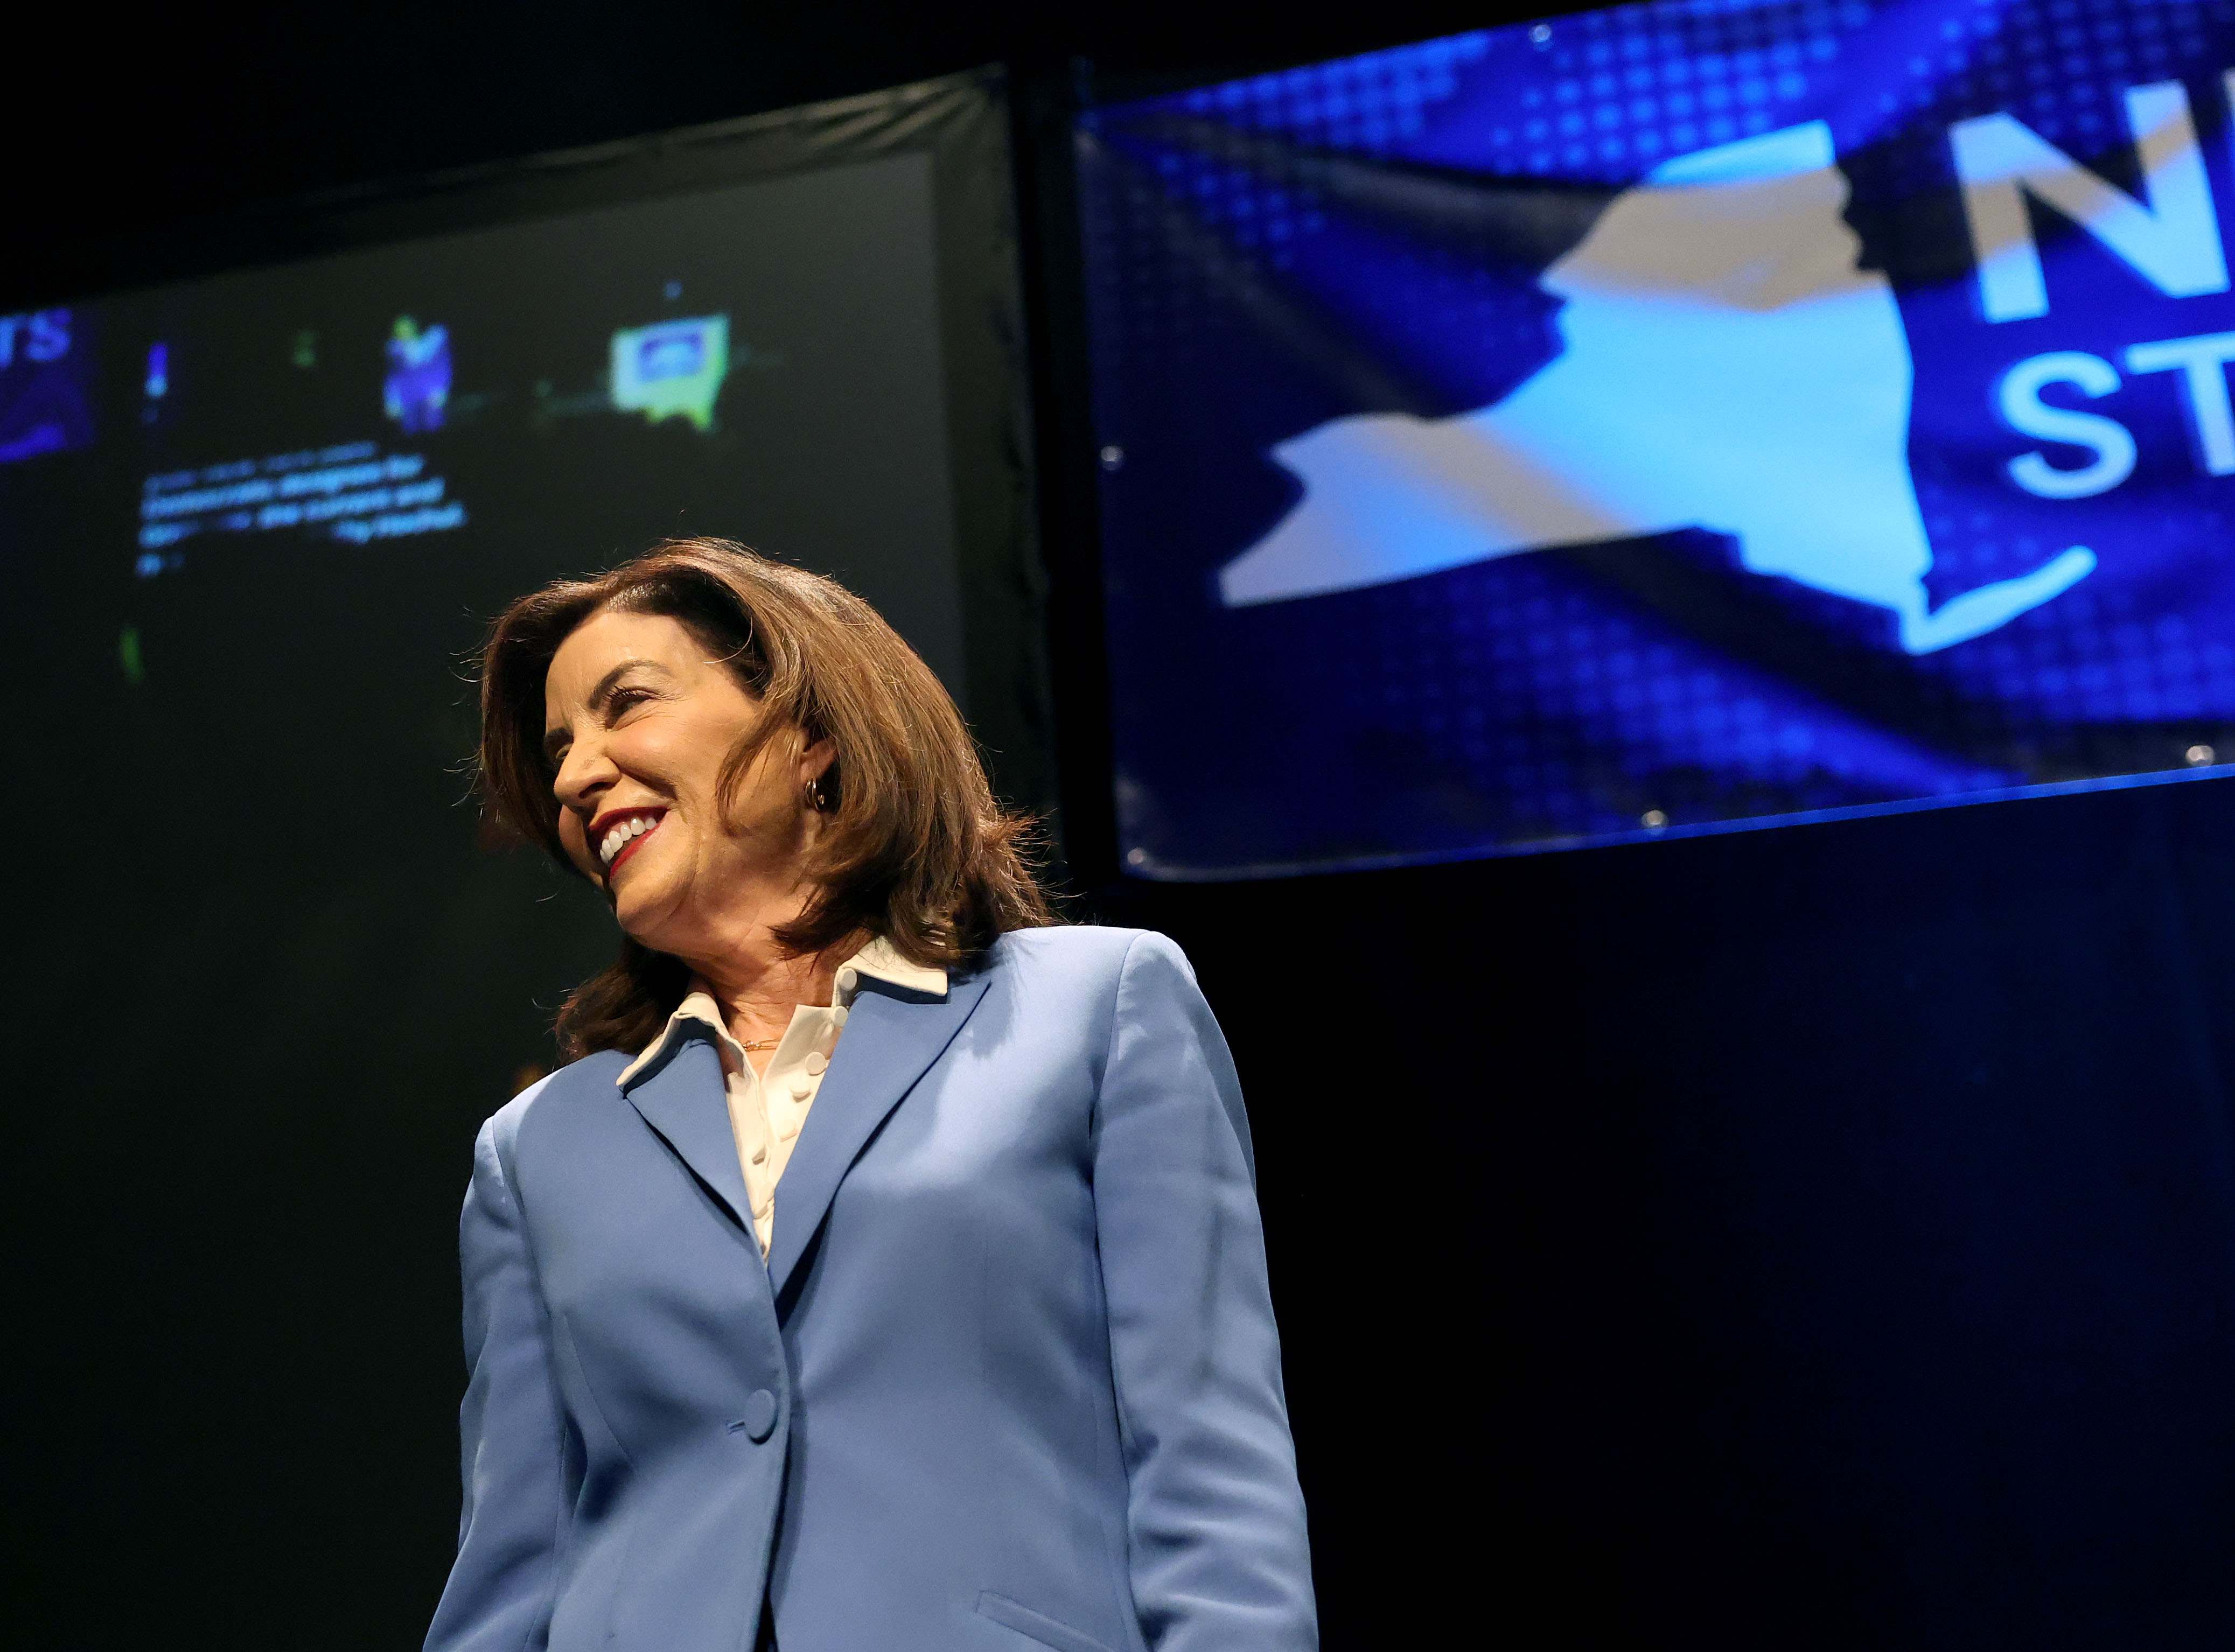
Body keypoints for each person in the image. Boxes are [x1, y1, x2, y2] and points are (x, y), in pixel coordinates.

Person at [425, 538, 1316, 1652]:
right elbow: (512, 1571)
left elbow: (1210, 1474)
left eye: (627, 706)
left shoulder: (1095, 1009)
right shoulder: (538, 1148)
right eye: (559, 750)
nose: (574, 777)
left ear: (811, 733)